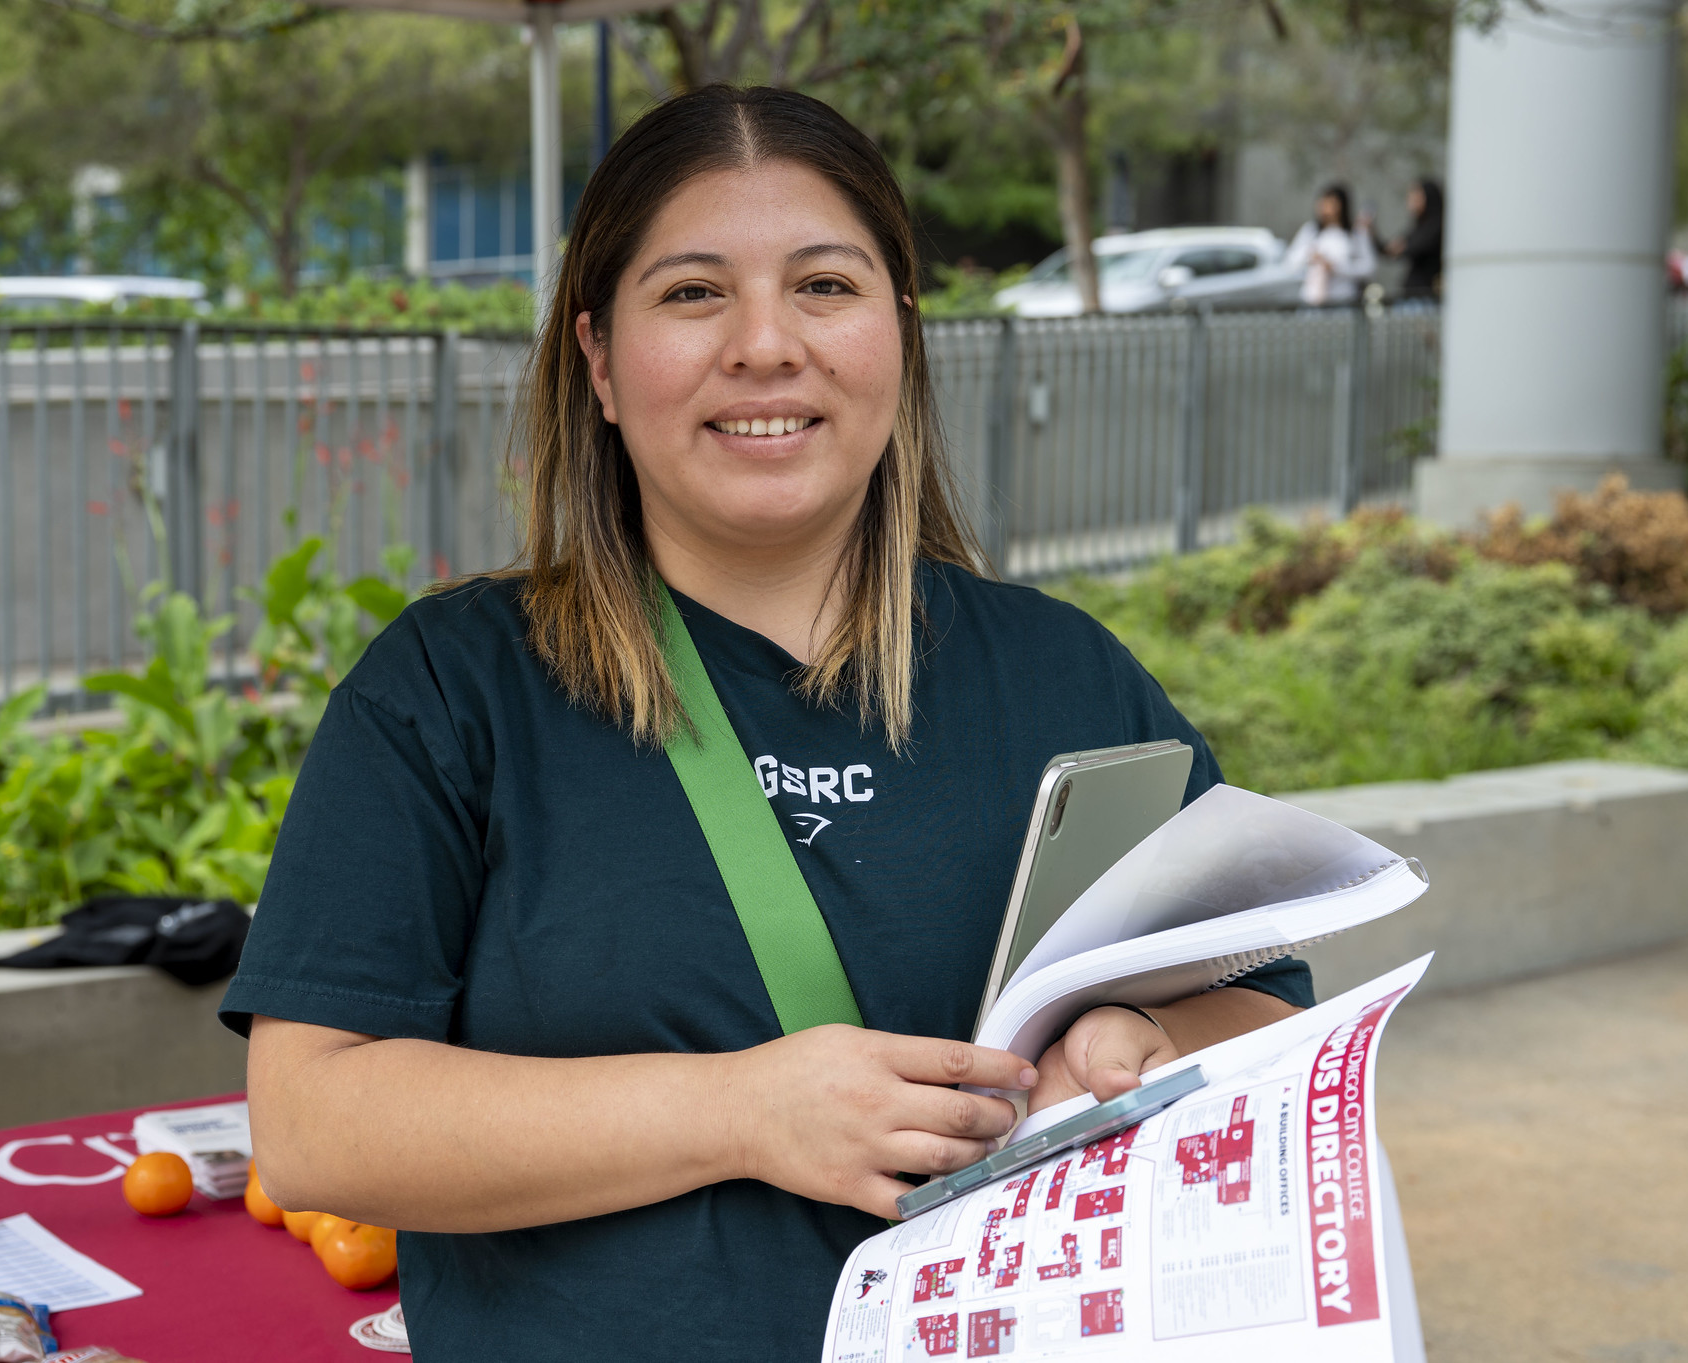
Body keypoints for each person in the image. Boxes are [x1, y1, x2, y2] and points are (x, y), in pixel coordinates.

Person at [221, 84, 1312, 1363]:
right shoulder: (451, 691)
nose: (764, 345)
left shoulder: (1061, 674)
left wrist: (1140, 1045)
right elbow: (313, 1125)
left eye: (824, 286)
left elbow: (1275, 1022)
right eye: (691, 294)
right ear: (598, 361)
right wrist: (739, 1108)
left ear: (898, 335)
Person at [1284, 181, 1378, 305]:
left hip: (1344, 302)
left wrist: (1337, 268)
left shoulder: (1355, 233)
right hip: (1312, 301)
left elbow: (1369, 267)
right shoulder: (1310, 231)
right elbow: (1289, 262)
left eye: (1331, 204)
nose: (1326, 208)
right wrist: (1311, 256)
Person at [1380, 177, 1444, 299]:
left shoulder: (1435, 226)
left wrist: (1402, 247)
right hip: (1412, 293)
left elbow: (1408, 248)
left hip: (1426, 294)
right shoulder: (1417, 228)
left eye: (1416, 195)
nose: (1411, 199)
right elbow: (1390, 250)